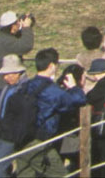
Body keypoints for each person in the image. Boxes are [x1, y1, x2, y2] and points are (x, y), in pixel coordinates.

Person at [21, 50, 86, 178]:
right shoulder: (52, 91)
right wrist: (74, 87)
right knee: (59, 174)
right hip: (41, 140)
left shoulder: (27, 85)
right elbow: (78, 100)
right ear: (51, 66)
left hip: (23, 138)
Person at [0, 55, 26, 178]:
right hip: (2, 132)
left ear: (19, 72)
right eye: (5, 74)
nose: (7, 77)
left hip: (11, 134)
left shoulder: (24, 89)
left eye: (11, 73)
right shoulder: (7, 88)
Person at [0, 16, 34, 105]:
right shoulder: (6, 41)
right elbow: (26, 46)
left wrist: (26, 20)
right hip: (4, 85)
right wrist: (26, 27)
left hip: (5, 84)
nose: (19, 24)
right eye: (17, 23)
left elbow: (18, 36)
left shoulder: (5, 36)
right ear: (12, 26)